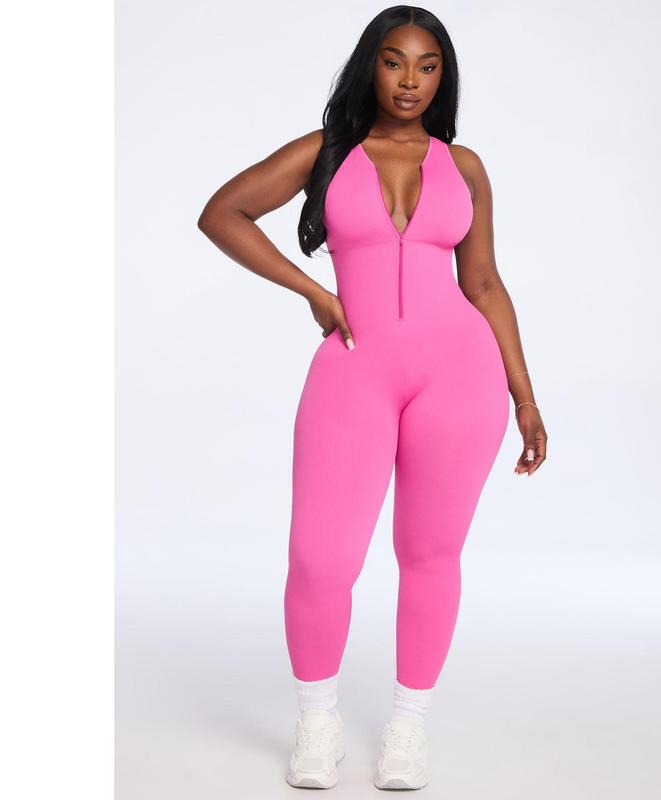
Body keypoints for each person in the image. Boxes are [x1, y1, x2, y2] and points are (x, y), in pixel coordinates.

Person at [197, 5, 547, 791]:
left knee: (430, 554)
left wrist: (525, 397)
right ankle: (317, 723)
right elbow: (222, 212)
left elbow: (483, 283)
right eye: (394, 62)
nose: (410, 80)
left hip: (461, 377)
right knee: (319, 558)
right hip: (354, 372)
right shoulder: (327, 151)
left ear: (443, 77)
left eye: (428, 65)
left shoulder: (464, 166)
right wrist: (313, 292)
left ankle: (408, 729)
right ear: (371, 66)